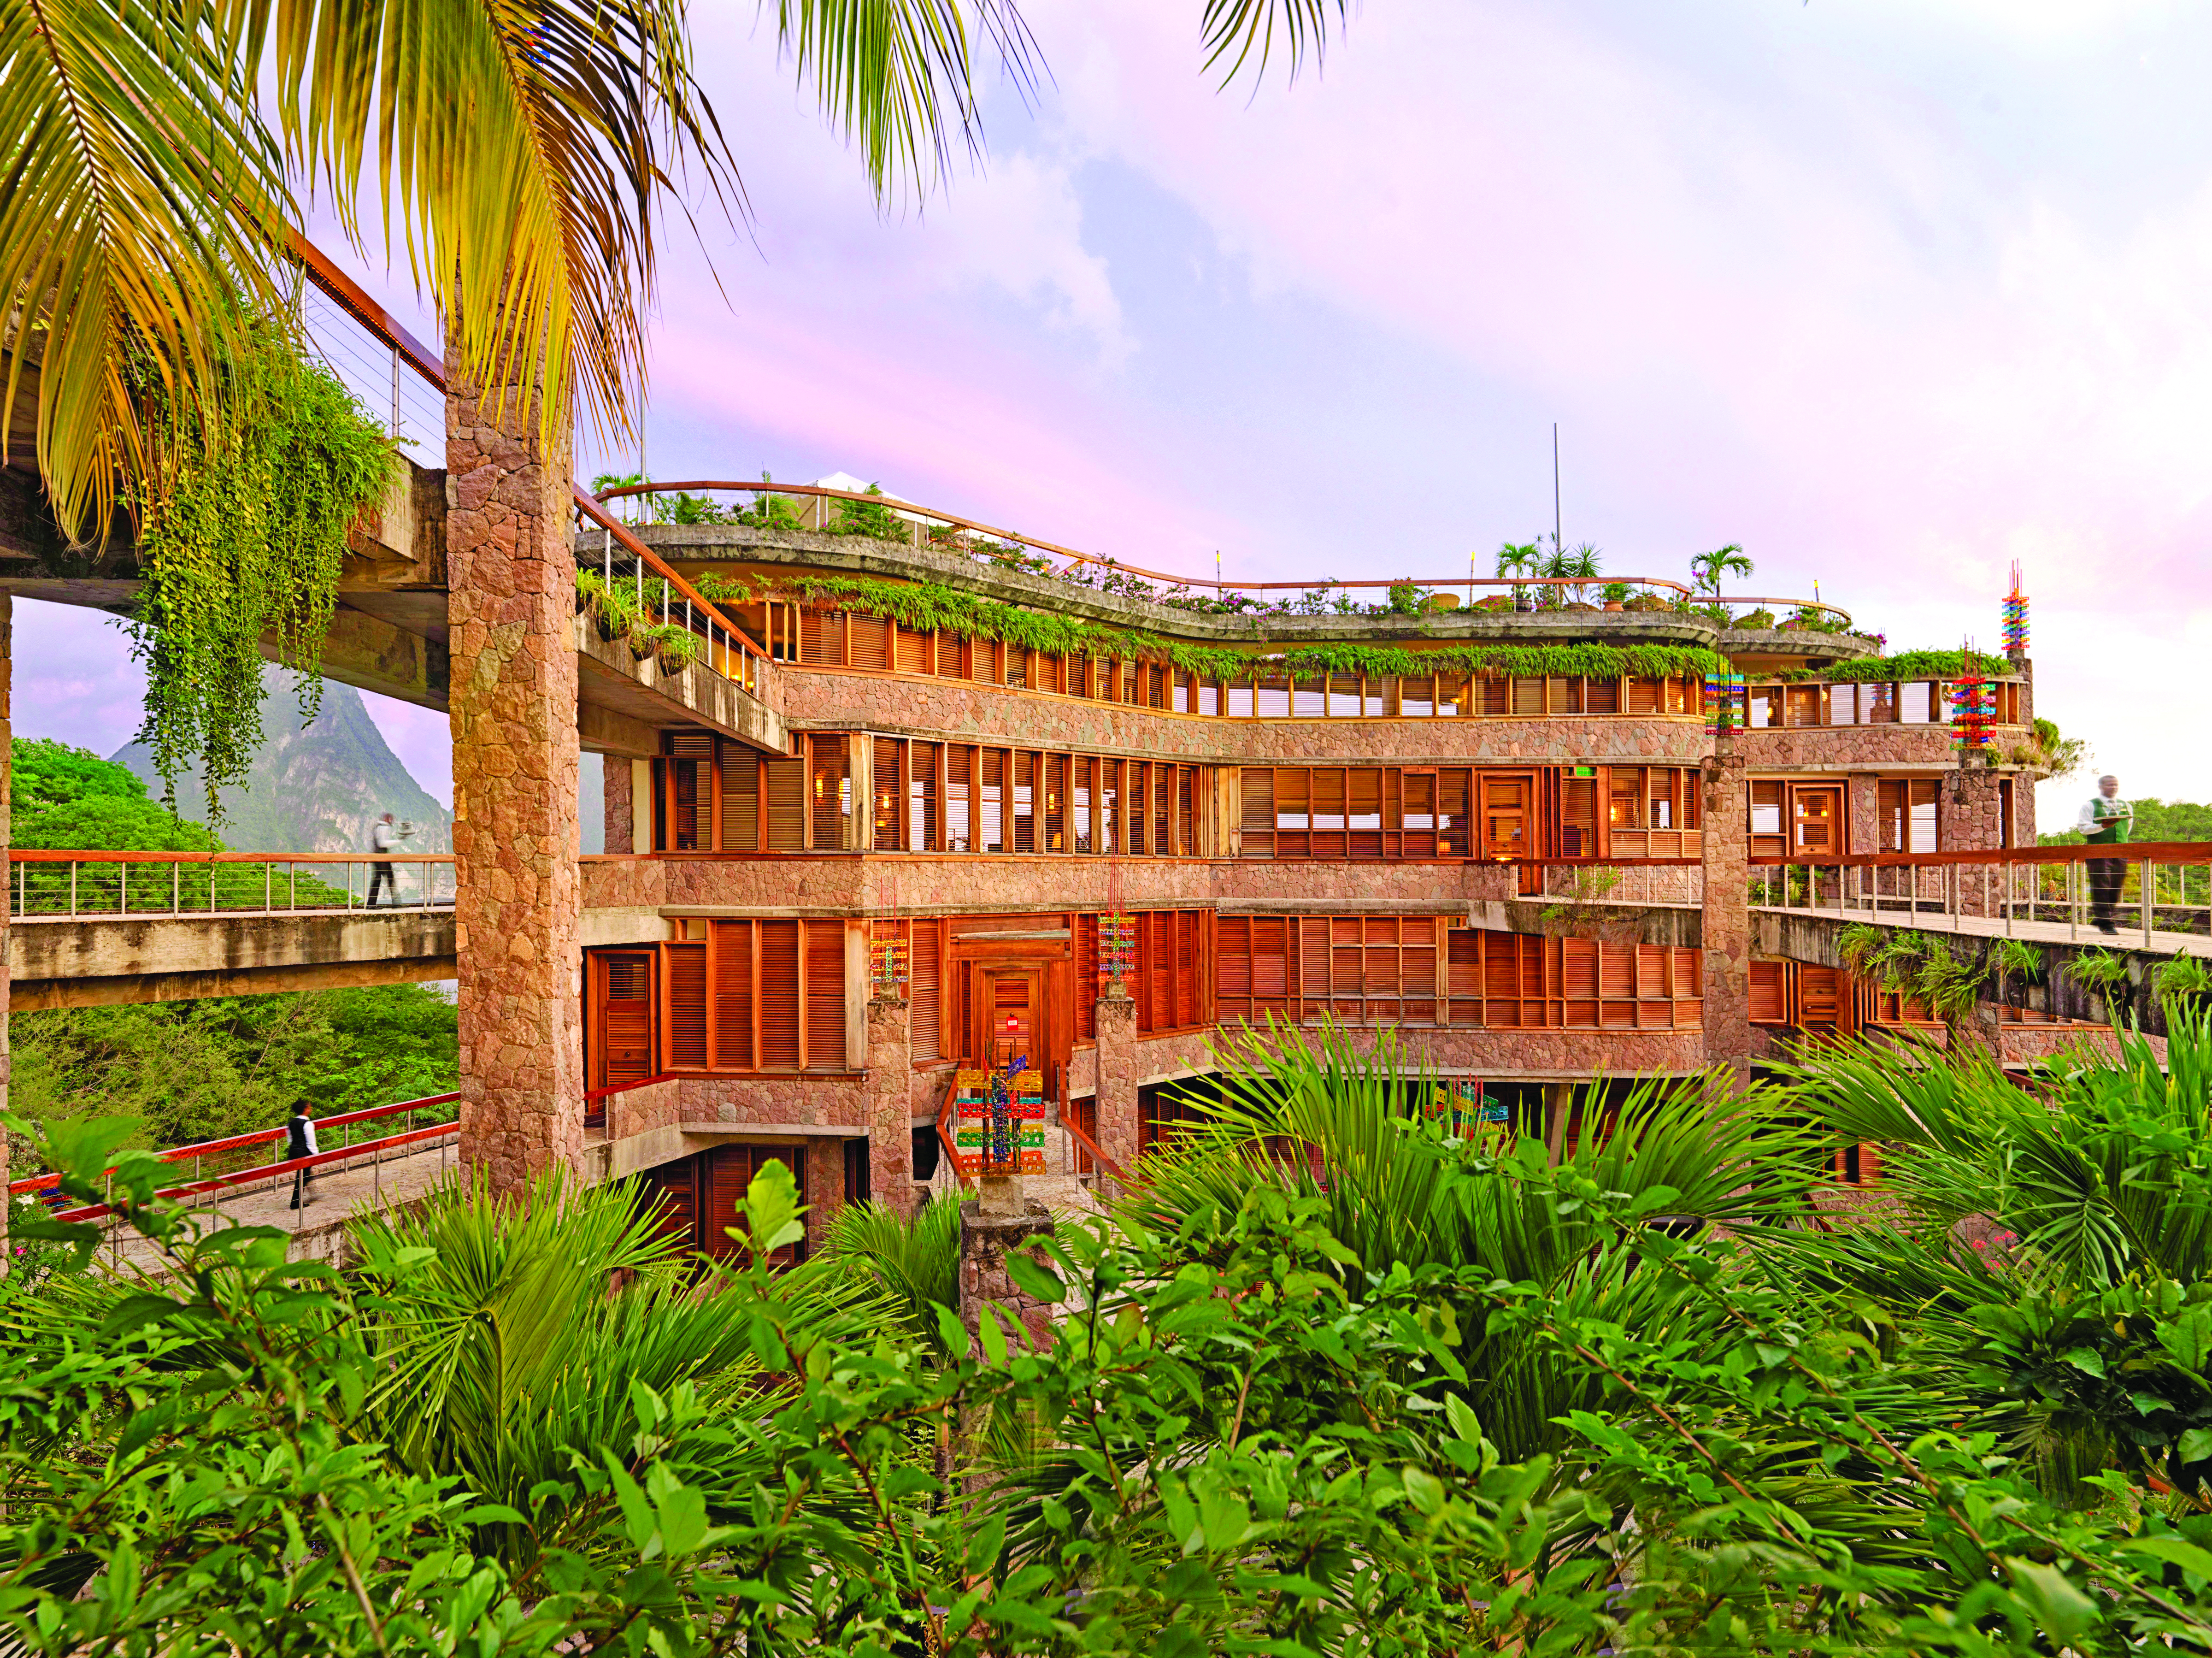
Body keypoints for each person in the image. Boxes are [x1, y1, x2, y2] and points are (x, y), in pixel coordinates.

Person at [2077, 774, 2131, 934]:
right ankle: (2106, 923)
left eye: (2115, 785)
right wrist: (2102, 826)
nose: (2113, 787)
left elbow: (2127, 827)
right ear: (2101, 787)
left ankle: (2101, 918)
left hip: (2121, 850)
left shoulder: (2126, 806)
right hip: (2097, 850)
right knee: (2101, 884)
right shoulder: (2090, 806)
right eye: (2109, 785)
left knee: (2116, 884)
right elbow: (2083, 828)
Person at [367, 812, 413, 908]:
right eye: (391, 819)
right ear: (386, 819)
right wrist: (399, 841)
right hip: (382, 857)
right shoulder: (383, 827)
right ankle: (396, 903)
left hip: (378, 856)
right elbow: (382, 843)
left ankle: (371, 904)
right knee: (390, 879)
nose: (392, 821)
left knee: (377, 880)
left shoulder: (378, 827)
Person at [285, 1101, 320, 1210]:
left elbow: (290, 1140)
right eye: (309, 1107)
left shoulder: (290, 1124)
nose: (311, 1109)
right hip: (304, 1153)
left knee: (305, 1175)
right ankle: (296, 1203)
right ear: (306, 1110)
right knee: (302, 1177)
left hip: (294, 1152)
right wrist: (316, 1155)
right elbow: (311, 1142)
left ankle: (309, 1195)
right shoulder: (308, 1124)